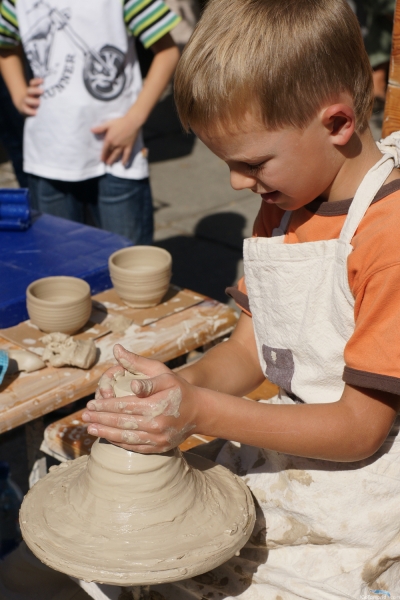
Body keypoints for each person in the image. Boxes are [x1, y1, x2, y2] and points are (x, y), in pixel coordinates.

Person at [82, 0, 400, 596]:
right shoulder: (282, 204)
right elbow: (251, 352)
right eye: (225, 163)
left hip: (373, 476)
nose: (235, 183)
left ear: (336, 123)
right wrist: (169, 392)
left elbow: (360, 428)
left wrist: (199, 413)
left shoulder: (389, 238)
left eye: (251, 162)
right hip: (291, 436)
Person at [0, 0, 181, 243]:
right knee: (60, 268)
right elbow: (5, 45)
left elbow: (167, 52)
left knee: (128, 263)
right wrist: (18, 92)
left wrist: (134, 119)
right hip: (49, 156)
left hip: (117, 156)